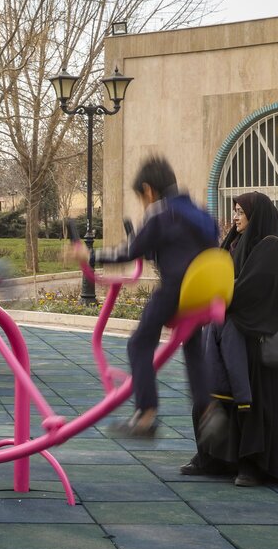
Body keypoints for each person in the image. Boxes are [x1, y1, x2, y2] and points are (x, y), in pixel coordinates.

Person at [68, 155, 218, 437]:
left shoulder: (161, 213)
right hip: (204, 290)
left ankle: (146, 412)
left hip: (176, 288)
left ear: (149, 190)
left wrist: (90, 255)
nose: (144, 206)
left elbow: (132, 251)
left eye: (142, 200)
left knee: (139, 343)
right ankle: (207, 406)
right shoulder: (198, 212)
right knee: (193, 345)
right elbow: (181, 245)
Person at [185, 191, 278, 487]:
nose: (234, 217)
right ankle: (213, 457)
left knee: (252, 402)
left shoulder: (270, 247)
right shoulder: (235, 244)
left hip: (255, 337)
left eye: (240, 212)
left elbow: (252, 289)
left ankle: (253, 465)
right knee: (215, 393)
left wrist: (219, 296)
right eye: (233, 210)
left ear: (254, 216)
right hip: (230, 333)